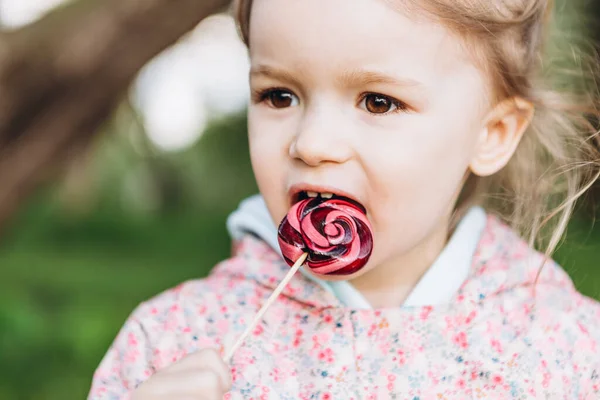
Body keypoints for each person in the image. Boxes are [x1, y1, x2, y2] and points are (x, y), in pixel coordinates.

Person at [88, 0, 600, 398]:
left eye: (379, 101)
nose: (310, 143)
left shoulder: (569, 351)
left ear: (493, 133)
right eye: (278, 95)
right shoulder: (170, 340)